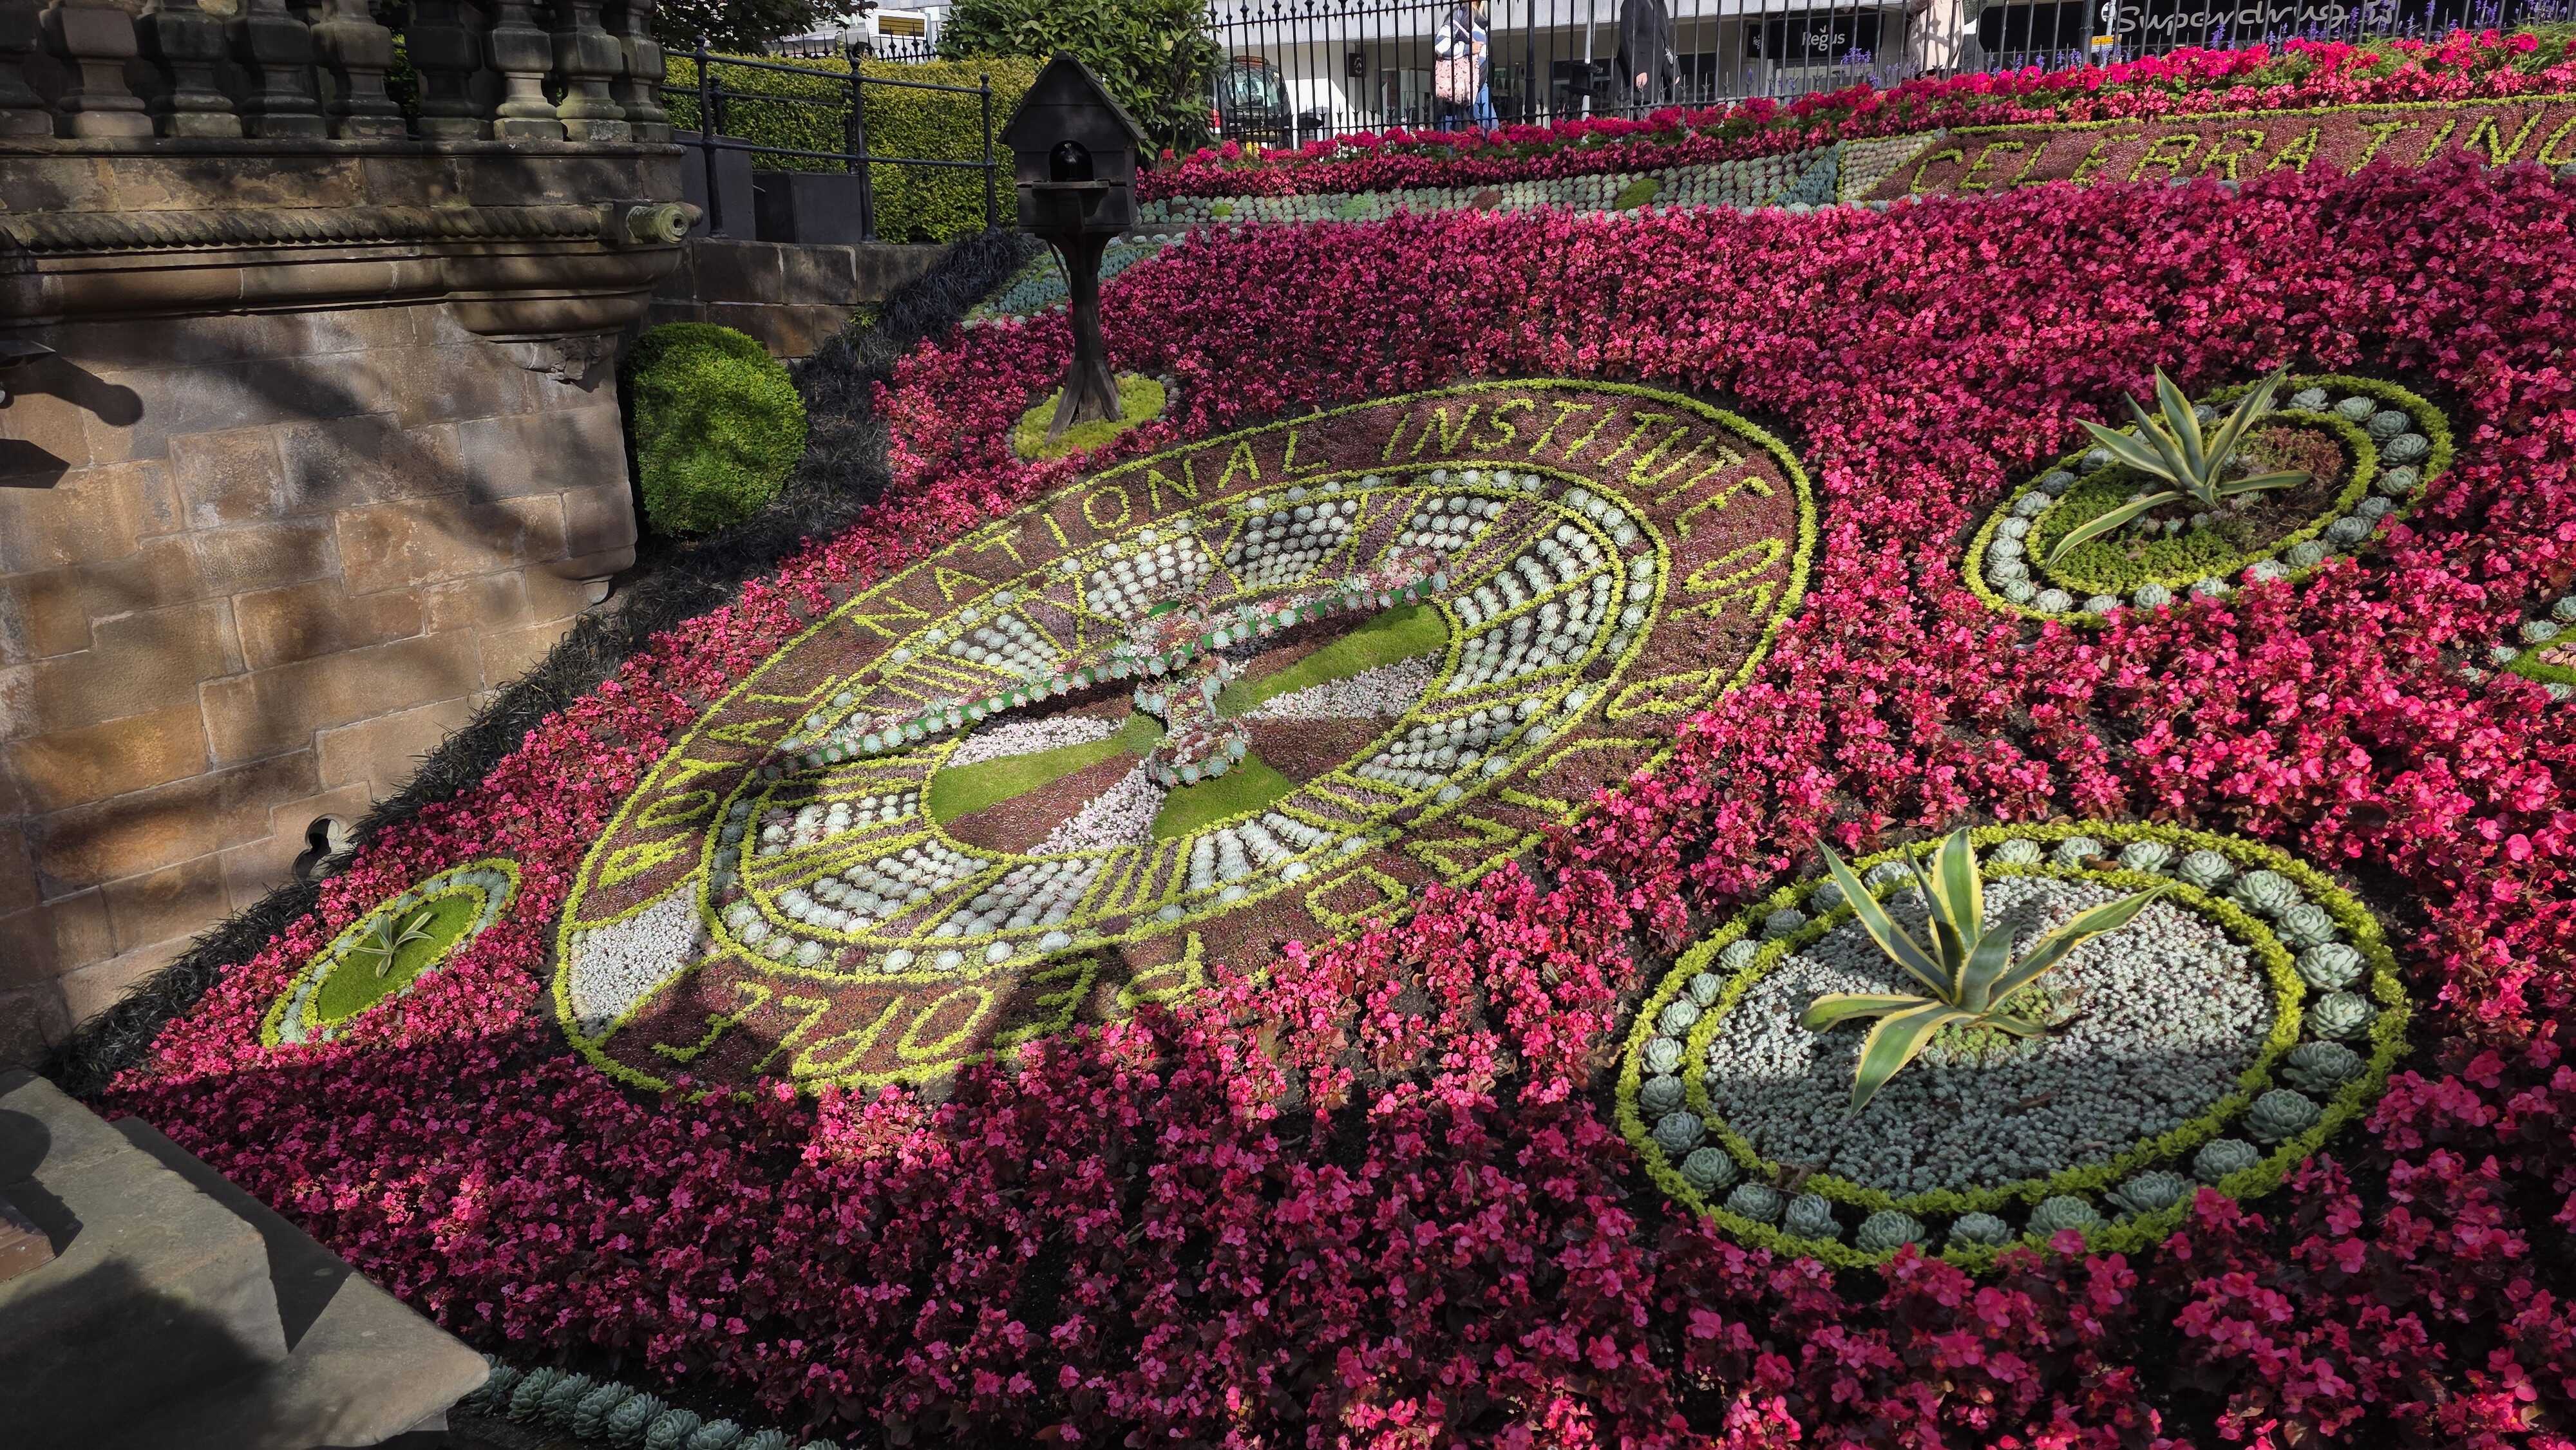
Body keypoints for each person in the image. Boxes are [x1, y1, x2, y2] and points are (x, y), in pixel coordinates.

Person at [1433, 0, 1499, 131]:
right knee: (1452, 130)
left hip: (1478, 82)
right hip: (1460, 82)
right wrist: (1468, 49)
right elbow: (1440, 45)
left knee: (1490, 127)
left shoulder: (1480, 21)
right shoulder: (1460, 15)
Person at [1615, 0, 1681, 115]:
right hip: (1637, 87)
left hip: (1656, 86)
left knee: (1657, 122)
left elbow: (1662, 44)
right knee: (1641, 122)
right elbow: (1627, 37)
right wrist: (1638, 69)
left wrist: (1672, 72)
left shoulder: (1660, 5)